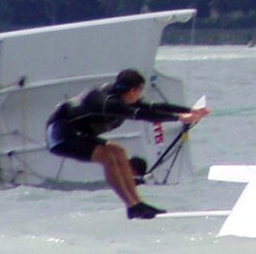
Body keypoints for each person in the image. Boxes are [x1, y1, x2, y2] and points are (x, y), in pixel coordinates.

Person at [45, 68, 210, 219]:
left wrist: (189, 111)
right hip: (60, 136)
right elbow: (143, 115)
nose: (140, 96)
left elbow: (153, 107)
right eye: (140, 91)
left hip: (78, 133)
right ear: (134, 90)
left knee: (118, 152)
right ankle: (132, 206)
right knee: (109, 157)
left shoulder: (123, 97)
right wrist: (179, 118)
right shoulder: (108, 102)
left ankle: (137, 204)